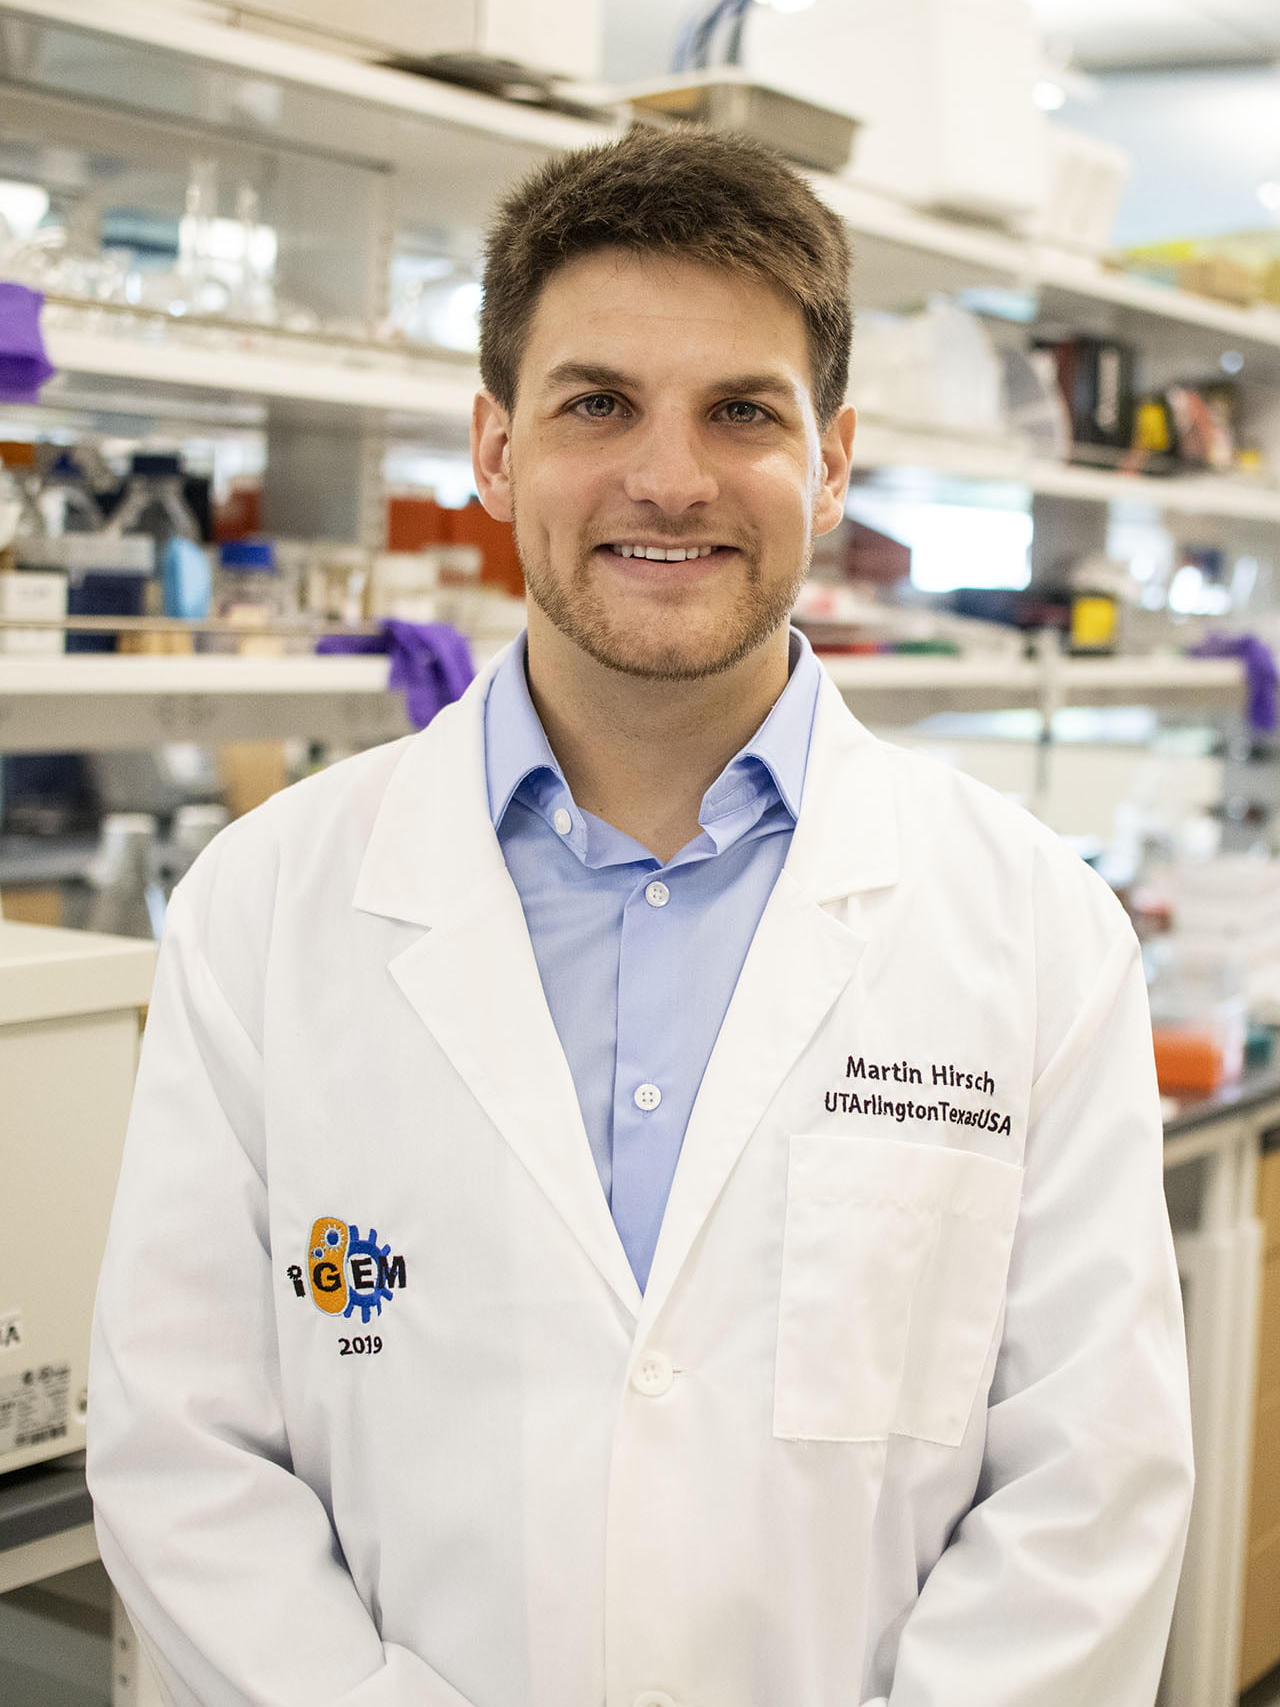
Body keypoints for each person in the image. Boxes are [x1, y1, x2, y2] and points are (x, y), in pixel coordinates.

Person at [89, 125, 1194, 1707]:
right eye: (596, 402)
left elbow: (1091, 1496)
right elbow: (183, 1453)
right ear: (493, 448)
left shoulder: (1038, 936)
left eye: (742, 411)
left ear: (828, 460)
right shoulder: (262, 911)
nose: (668, 476)